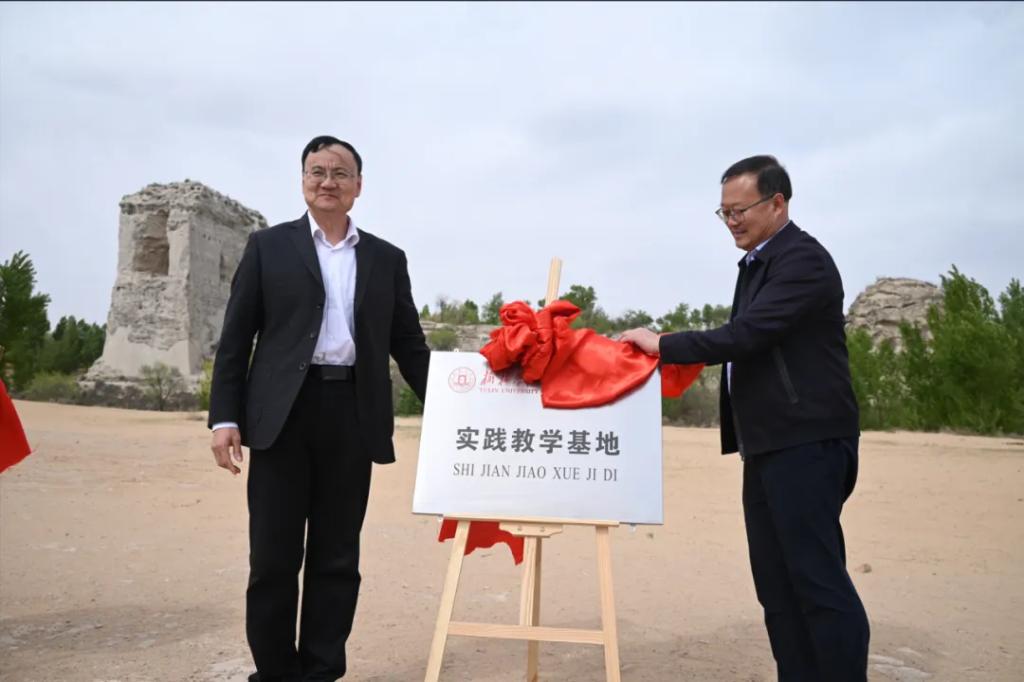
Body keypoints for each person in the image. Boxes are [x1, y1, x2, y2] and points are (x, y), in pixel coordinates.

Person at [621, 155, 869, 681]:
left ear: (777, 203)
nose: (731, 221)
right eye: (724, 212)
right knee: (776, 585)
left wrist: (663, 344)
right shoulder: (758, 263)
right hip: (768, 444)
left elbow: (746, 335)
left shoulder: (803, 260)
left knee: (817, 580)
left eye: (740, 210)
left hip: (807, 441)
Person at [207, 135, 430, 682]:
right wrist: (225, 417)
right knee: (273, 558)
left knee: (337, 557)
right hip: (282, 416)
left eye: (340, 173)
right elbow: (236, 338)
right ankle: (275, 673)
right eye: (317, 172)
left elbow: (409, 345)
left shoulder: (386, 259)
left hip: (352, 413)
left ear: (358, 185)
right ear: (303, 180)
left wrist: (456, 404)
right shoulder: (268, 247)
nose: (327, 182)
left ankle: (322, 671)